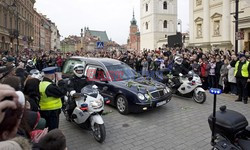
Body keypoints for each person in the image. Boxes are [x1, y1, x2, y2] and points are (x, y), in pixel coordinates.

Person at [39, 67, 66, 131]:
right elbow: (62, 92)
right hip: (52, 111)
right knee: (53, 129)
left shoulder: (42, 83)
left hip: (44, 109)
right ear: (52, 75)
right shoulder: (49, 86)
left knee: (46, 128)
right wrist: (60, 80)